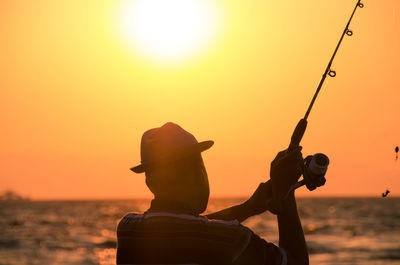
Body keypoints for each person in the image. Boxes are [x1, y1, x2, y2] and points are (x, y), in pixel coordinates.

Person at [117, 122, 308, 265]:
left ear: (149, 181)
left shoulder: (128, 229)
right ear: (197, 172)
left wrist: (247, 208)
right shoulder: (230, 239)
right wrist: (286, 192)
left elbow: (182, 227)